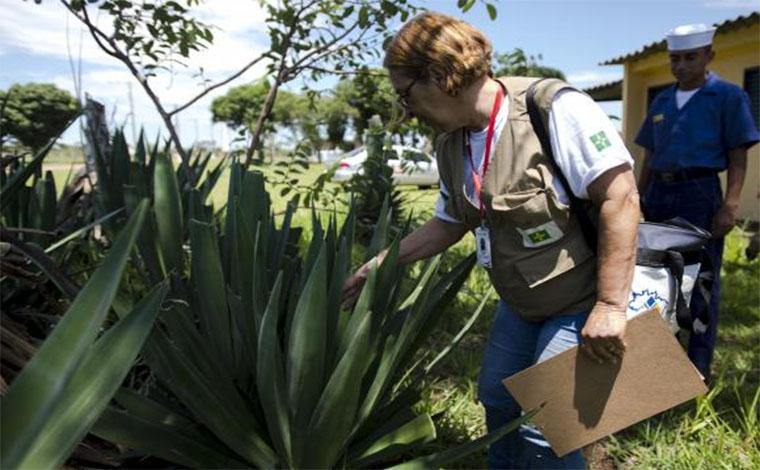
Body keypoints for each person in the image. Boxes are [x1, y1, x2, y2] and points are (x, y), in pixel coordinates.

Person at [342, 12, 639, 469]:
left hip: (580, 300)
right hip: (520, 302)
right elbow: (449, 222)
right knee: (498, 403)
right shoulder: (452, 144)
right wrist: (381, 262)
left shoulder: (552, 108)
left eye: (406, 94)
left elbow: (619, 196)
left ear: (441, 76)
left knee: (549, 429)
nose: (406, 110)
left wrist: (611, 306)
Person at [635, 24, 759, 381]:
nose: (681, 65)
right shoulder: (660, 101)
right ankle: (656, 360)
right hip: (658, 193)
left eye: (690, 57)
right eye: (675, 58)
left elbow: (738, 154)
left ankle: (695, 368)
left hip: (700, 193)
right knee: (655, 276)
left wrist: (731, 205)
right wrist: (638, 198)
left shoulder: (728, 97)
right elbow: (649, 154)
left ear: (709, 56)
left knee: (701, 279)